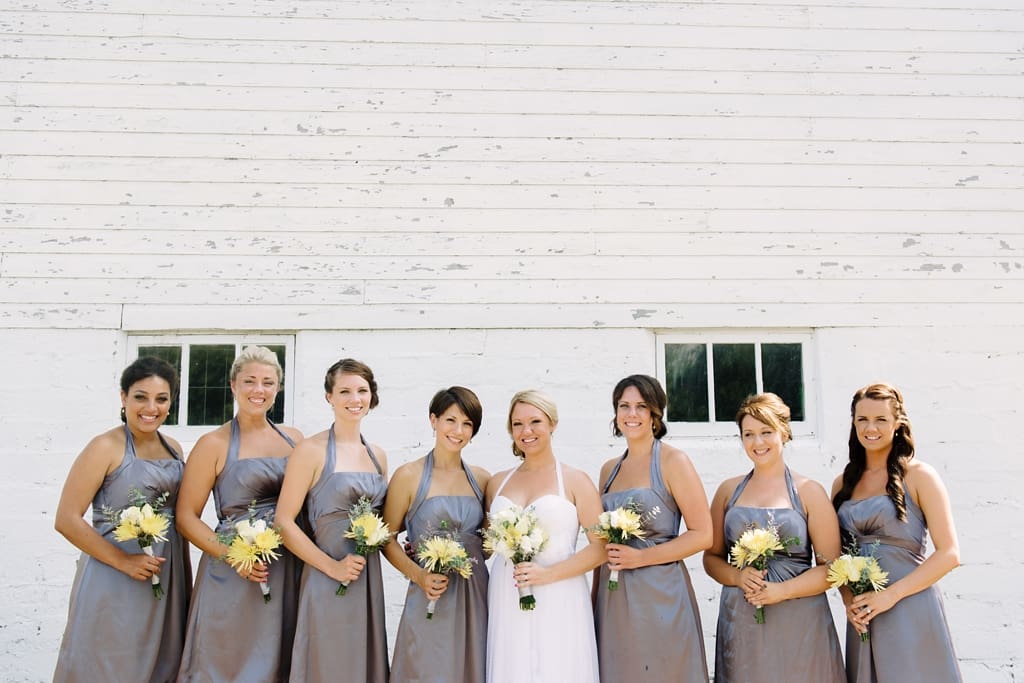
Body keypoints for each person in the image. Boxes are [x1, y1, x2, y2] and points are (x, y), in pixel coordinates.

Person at [53, 356, 191, 683]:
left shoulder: (174, 449)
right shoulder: (105, 447)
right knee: (111, 664)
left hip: (167, 576)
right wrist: (123, 561)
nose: (151, 407)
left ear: (171, 402)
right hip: (114, 577)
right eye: (140, 397)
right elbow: (66, 519)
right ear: (123, 397)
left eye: (161, 399)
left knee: (163, 664)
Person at [176, 346, 303, 683]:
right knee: (229, 661)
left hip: (286, 567)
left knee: (280, 660)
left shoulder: (294, 440)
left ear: (278, 388)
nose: (258, 390)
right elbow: (186, 517)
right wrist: (236, 557)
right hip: (233, 571)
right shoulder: (213, 444)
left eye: (267, 382)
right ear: (233, 385)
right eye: (249, 381)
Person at [704, 393, 845, 683]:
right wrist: (738, 577)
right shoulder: (728, 491)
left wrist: (782, 591)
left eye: (766, 432)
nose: (758, 443)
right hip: (742, 619)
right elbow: (711, 558)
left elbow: (832, 569)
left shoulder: (809, 491)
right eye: (749, 434)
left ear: (784, 432)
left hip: (799, 619)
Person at [832, 383, 962, 682]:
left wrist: (891, 596)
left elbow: (950, 553)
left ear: (898, 423)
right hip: (864, 614)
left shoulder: (920, 476)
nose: (870, 428)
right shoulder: (842, 484)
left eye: (880, 420)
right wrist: (849, 600)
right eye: (862, 419)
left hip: (910, 605)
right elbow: (834, 556)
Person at [274, 358, 389, 683]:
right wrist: (332, 567)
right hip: (327, 575)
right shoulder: (311, 450)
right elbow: (283, 522)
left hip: (366, 578)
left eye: (362, 391)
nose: (355, 399)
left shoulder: (377, 455)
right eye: (345, 391)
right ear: (329, 397)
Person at [594, 374, 713, 682]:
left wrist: (640, 559)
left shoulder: (673, 461)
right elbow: (602, 542)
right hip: (614, 594)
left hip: (659, 591)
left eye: (640, 406)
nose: (631, 414)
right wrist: (595, 599)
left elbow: (703, 534)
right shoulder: (609, 469)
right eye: (624, 406)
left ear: (655, 414)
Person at [485, 389, 602, 683]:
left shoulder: (576, 480)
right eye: (517, 424)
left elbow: (600, 549)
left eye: (535, 421)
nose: (526, 431)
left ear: (553, 424)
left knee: (558, 667)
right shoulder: (497, 482)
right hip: (507, 592)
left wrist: (547, 575)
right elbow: (486, 545)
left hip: (560, 593)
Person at [384, 387, 491, 683]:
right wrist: (419, 575)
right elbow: (387, 538)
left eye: (467, 424)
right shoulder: (409, 475)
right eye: (450, 420)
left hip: (475, 595)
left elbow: (488, 542)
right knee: (427, 667)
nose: (458, 431)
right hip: (431, 591)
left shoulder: (482, 479)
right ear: (433, 420)